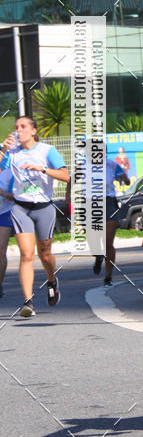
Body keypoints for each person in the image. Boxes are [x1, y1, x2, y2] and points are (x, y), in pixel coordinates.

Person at [0, 117, 70, 317]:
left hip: (43, 208)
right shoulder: (11, 153)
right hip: (20, 208)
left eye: (23, 127)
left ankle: (51, 280)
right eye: (16, 128)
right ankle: (28, 302)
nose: (18, 131)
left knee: (45, 254)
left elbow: (66, 176)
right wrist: (3, 150)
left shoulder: (47, 151)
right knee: (26, 254)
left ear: (33, 131)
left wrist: (42, 169)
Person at [93, 153, 131, 285]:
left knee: (108, 241)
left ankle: (108, 276)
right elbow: (72, 179)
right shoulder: (84, 166)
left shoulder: (112, 165)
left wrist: (125, 179)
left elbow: (126, 180)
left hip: (109, 202)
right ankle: (98, 255)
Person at [0, 168, 15, 300]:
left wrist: (3, 193)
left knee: (1, 249)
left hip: (4, 212)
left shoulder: (9, 173)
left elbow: (17, 196)